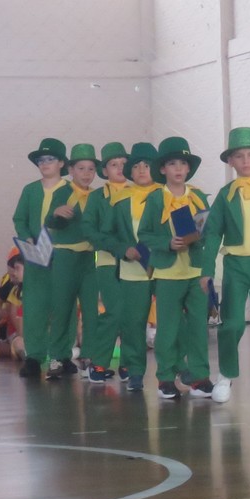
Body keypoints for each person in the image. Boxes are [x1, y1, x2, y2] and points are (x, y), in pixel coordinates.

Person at [199, 127, 250, 407]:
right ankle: (225, 375)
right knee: (231, 323)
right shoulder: (226, 194)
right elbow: (212, 233)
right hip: (236, 265)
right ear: (230, 161)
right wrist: (207, 271)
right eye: (239, 156)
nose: (246, 161)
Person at [139, 137, 215, 400]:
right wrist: (167, 243)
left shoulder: (198, 196)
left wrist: (199, 237)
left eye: (183, 163)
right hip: (168, 273)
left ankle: (200, 376)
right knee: (168, 329)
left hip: (195, 272)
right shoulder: (155, 199)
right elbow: (144, 234)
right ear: (162, 169)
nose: (178, 168)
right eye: (172, 164)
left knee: (198, 327)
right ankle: (166, 377)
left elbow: (209, 230)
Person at [82, 142, 141, 383]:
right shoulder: (97, 197)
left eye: (124, 164)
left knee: (133, 313)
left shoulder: (138, 192)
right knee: (114, 311)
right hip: (107, 262)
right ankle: (98, 362)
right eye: (113, 164)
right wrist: (116, 247)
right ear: (104, 171)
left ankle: (128, 362)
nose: (119, 168)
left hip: (135, 262)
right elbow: (89, 229)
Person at [12, 137, 69, 380]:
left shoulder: (70, 190)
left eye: (50, 159)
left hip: (63, 256)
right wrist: (27, 239)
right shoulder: (30, 190)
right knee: (34, 306)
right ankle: (34, 356)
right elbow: (20, 219)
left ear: (61, 163)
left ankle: (62, 355)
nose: (44, 164)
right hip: (35, 256)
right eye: (41, 160)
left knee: (63, 306)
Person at [45, 143, 100, 379]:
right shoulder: (62, 192)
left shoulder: (97, 196)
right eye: (81, 168)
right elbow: (51, 221)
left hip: (89, 258)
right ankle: (58, 356)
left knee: (91, 308)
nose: (86, 174)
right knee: (62, 308)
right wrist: (56, 214)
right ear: (70, 170)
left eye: (91, 169)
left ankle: (90, 356)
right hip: (65, 257)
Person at [116, 142, 160, 391]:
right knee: (133, 323)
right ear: (130, 172)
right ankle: (134, 370)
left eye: (147, 165)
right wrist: (124, 249)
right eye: (137, 166)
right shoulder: (120, 200)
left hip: (165, 268)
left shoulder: (167, 195)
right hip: (133, 270)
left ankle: (174, 367)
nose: (142, 170)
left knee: (172, 319)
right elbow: (108, 234)